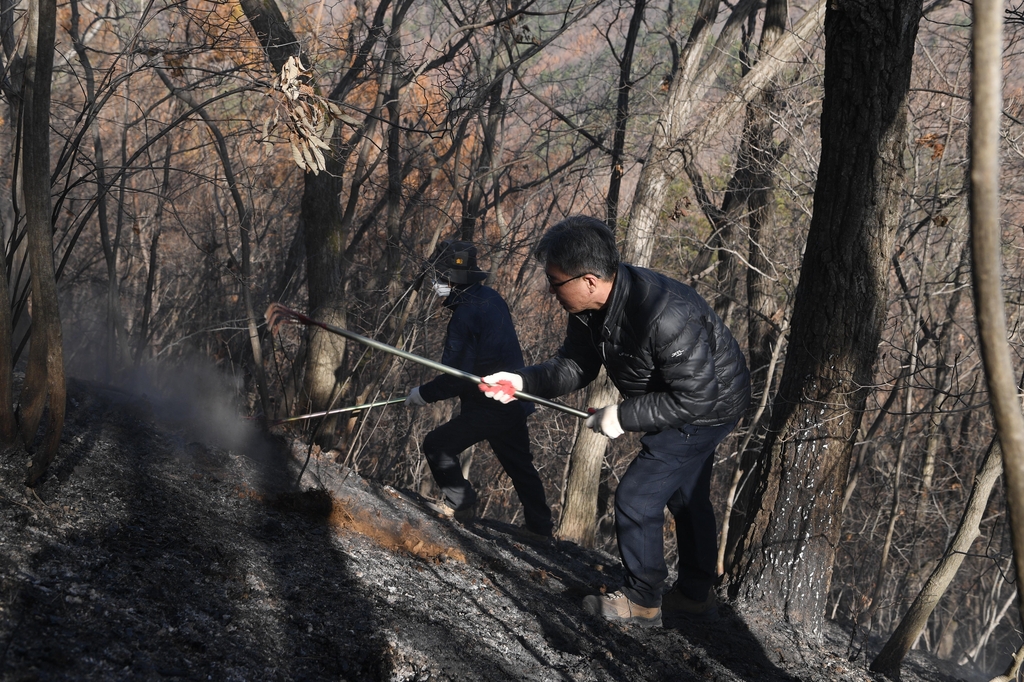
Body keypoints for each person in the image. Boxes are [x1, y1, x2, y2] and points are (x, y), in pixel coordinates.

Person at [480, 216, 750, 627]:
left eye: (555, 283)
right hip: (677, 397)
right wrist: (520, 380)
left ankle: (642, 601)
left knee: (638, 495)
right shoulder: (589, 310)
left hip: (709, 406)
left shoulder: (663, 314)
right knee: (683, 495)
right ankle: (696, 596)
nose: (551, 291)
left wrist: (623, 415)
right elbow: (574, 366)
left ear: (588, 280)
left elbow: (697, 396)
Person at [405, 240, 554, 539]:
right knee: (520, 465)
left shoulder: (466, 315)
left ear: (451, 280)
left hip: (492, 403)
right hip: (511, 400)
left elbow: (456, 376)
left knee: (438, 444)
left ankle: (461, 504)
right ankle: (541, 528)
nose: (436, 285)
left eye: (438, 279)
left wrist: (423, 394)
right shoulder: (489, 297)